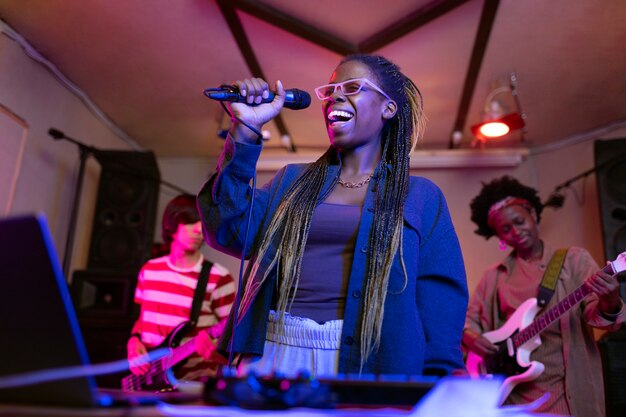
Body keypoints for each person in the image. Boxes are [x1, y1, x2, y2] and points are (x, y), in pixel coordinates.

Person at [197, 54, 468, 377]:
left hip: (370, 360)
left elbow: (440, 300)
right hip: (274, 351)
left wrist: (443, 375)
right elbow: (225, 228)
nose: (336, 96)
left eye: (353, 87)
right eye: (332, 89)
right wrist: (245, 131)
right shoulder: (290, 180)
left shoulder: (420, 196)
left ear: (388, 108)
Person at [463, 176, 625, 416]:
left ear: (532, 213)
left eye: (519, 221)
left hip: (567, 387)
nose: (516, 232)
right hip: (513, 392)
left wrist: (610, 299)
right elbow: (467, 321)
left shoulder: (573, 260)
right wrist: (471, 338)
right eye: (505, 230)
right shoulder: (493, 276)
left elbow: (596, 315)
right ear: (499, 237)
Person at [127, 194, 236, 384]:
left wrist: (217, 355)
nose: (198, 229)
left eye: (202, 222)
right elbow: (141, 320)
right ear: (171, 225)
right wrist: (133, 342)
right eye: (189, 222)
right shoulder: (149, 270)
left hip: (193, 388)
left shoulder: (219, 277)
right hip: (147, 381)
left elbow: (233, 337)